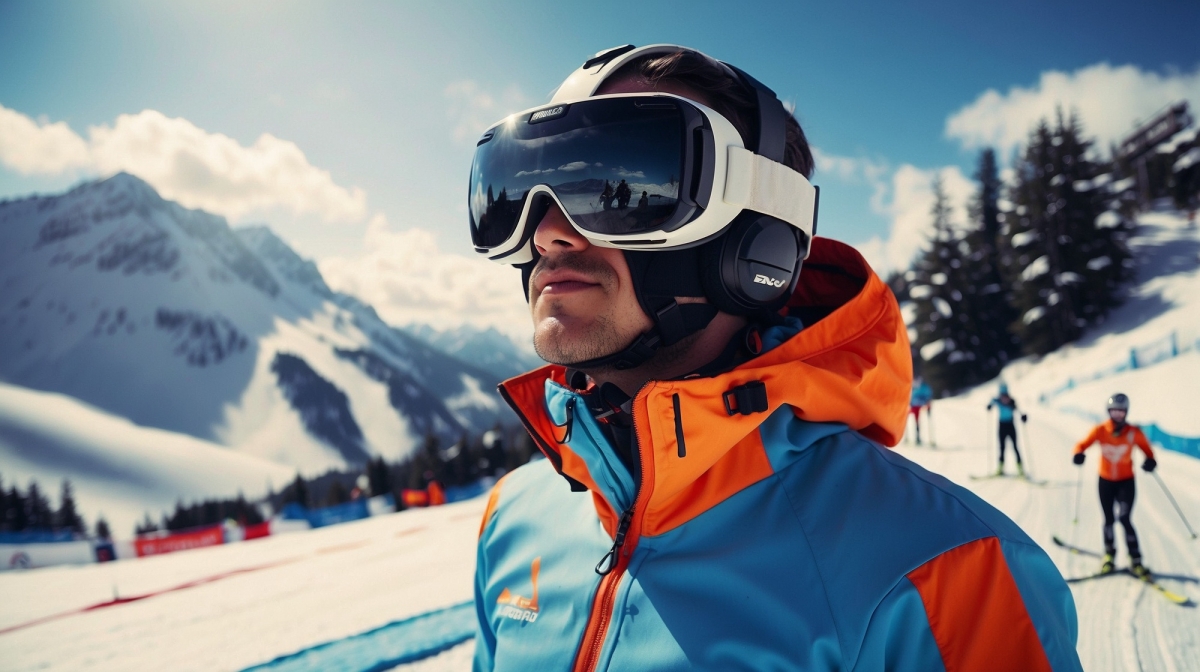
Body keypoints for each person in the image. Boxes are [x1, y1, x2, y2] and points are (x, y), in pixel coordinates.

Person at [468, 44, 1080, 670]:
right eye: (522, 188)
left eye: (614, 185)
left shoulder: (947, 574)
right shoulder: (511, 519)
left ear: (759, 242)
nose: (546, 230)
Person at [1072, 393, 1156, 577]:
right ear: (1109, 411)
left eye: (1121, 412)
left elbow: (1148, 451)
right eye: (1114, 411)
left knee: (1125, 518)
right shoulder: (1101, 430)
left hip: (1126, 482)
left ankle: (1136, 559)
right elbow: (1082, 444)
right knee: (1108, 519)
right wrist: (1078, 453)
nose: (1117, 415)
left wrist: (1150, 461)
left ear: (1126, 412)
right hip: (1106, 482)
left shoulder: (1134, 432)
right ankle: (1109, 555)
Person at [987, 382, 1027, 476]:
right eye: (1002, 395)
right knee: (1002, 448)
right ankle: (1000, 469)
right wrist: (989, 407)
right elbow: (990, 404)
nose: (1004, 397)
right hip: (1002, 427)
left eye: (1005, 395)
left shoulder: (1012, 402)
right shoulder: (997, 400)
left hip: (1010, 426)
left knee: (1015, 447)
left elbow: (1019, 411)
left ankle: (1020, 469)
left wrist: (1023, 417)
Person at [908, 375, 932, 445]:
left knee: (918, 422)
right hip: (914, 407)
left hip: (920, 407)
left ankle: (918, 437)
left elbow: (928, 395)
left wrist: (928, 402)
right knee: (915, 421)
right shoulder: (912, 388)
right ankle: (915, 437)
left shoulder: (924, 387)